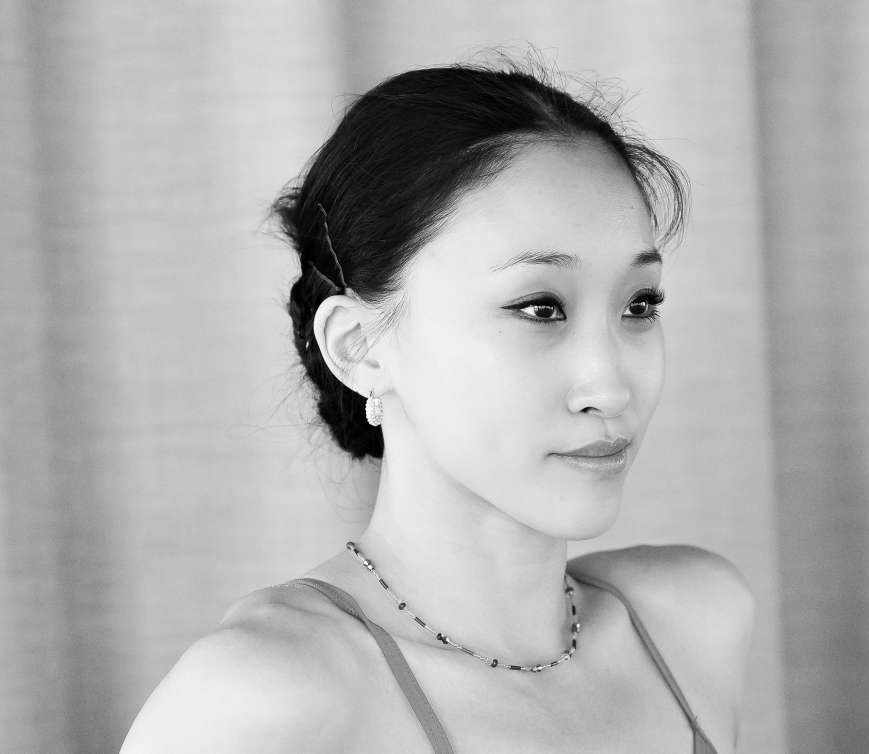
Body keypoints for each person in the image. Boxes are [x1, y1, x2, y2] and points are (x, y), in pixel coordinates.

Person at [120, 57, 754, 753]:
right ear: (360, 346)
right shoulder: (265, 697)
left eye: (639, 305)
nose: (611, 387)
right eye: (540, 308)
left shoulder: (692, 619)